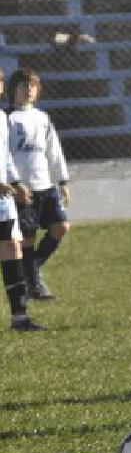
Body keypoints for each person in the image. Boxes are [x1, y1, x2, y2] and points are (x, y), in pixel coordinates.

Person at [7, 67, 70, 301]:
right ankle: (34, 287)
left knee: (60, 227)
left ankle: (29, 271)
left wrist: (62, 181)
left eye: (32, 85)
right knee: (28, 239)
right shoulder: (7, 118)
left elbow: (54, 151)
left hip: (45, 186)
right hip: (23, 190)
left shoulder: (42, 118)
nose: (28, 89)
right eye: (24, 85)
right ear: (13, 89)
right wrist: (13, 183)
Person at [0, 69, 45, 331]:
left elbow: (5, 157)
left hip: (3, 197)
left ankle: (19, 317)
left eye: (1, 81)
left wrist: (16, 183)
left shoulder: (2, 118)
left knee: (12, 248)